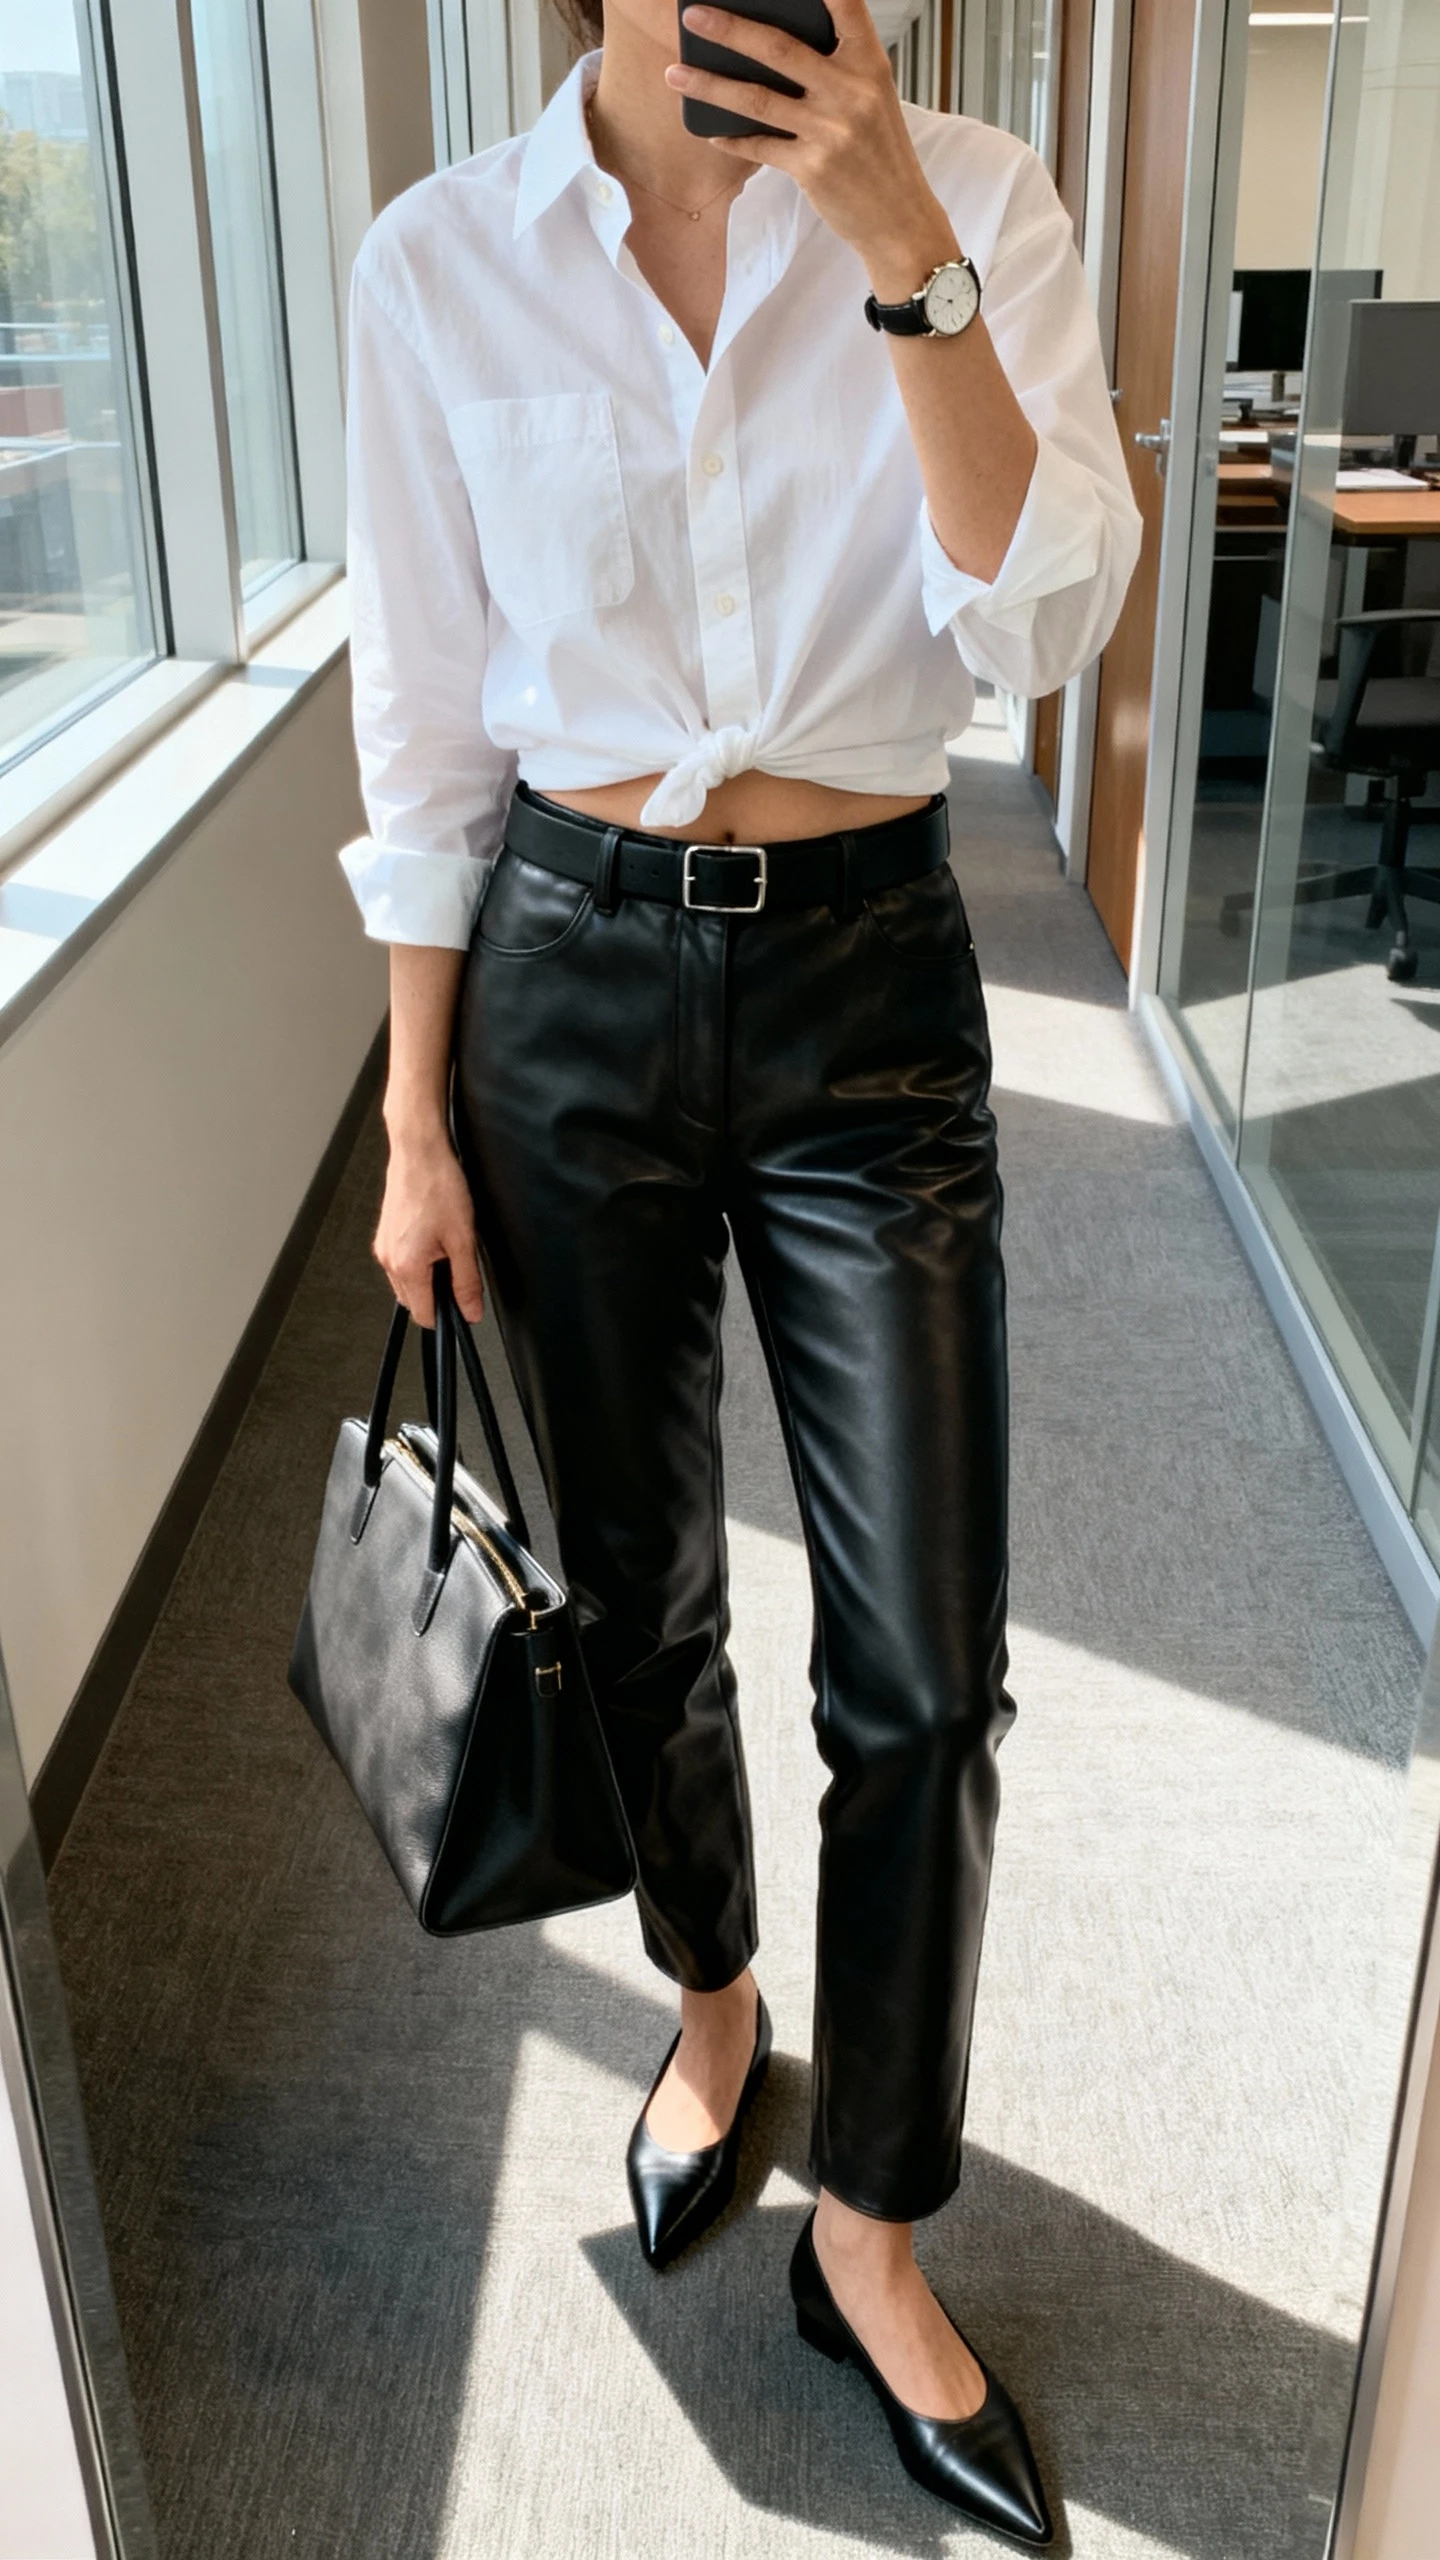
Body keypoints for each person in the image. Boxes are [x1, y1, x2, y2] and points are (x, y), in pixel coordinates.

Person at [340, 0, 1138, 2536]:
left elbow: (1042, 628)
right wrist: (412, 1116)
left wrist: (905, 260)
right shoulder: (440, 262)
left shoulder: (979, 198)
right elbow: (430, 727)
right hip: (561, 989)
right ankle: (711, 2013)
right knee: (641, 1600)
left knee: (921, 1674)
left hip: (869, 990)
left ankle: (874, 2226)